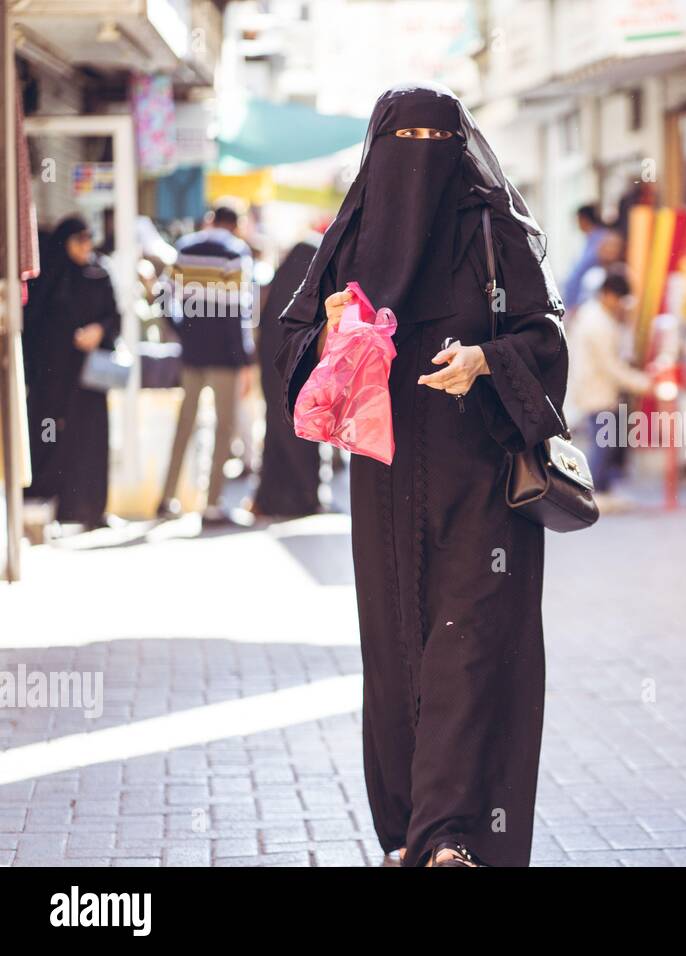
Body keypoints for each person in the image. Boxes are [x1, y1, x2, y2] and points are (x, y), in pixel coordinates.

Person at [275, 83, 568, 868]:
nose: (420, 165)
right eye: (406, 145)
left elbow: (546, 339)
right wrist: (333, 331)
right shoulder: (353, 234)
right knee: (399, 648)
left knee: (467, 647)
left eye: (436, 144)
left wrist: (487, 361)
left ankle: (453, 836)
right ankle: (408, 829)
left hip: (483, 482)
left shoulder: (493, 230)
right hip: (384, 485)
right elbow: (293, 354)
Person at [158, 202, 256, 525]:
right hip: (224, 355)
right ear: (237, 225)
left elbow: (162, 295)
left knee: (185, 423)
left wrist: (181, 329)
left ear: (211, 219)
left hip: (192, 351)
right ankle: (211, 504)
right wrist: (244, 358)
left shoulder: (185, 248)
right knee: (222, 427)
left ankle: (167, 497)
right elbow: (239, 309)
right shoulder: (236, 252)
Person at [21, 216, 121, 528]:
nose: (85, 247)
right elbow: (34, 327)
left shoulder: (99, 274)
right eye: (79, 240)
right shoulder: (48, 278)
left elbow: (115, 317)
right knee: (51, 439)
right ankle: (49, 508)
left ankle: (90, 510)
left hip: (89, 378)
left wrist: (98, 331)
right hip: (52, 379)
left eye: (89, 239)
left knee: (90, 440)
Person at [252, 236, 323, 518]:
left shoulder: (280, 295)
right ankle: (305, 496)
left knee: (276, 431)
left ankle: (270, 499)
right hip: (299, 378)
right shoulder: (309, 295)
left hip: (274, 375)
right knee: (301, 434)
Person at [566, 268, 650, 494]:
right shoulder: (597, 322)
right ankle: (594, 492)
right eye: (619, 299)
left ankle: (599, 490)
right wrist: (644, 384)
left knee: (605, 443)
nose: (621, 305)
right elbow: (611, 366)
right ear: (608, 294)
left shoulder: (598, 316)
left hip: (598, 388)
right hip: (597, 389)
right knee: (603, 445)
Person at [560, 203, 609, 309]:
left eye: (578, 220)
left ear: (584, 219)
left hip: (587, 300)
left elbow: (583, 268)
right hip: (576, 300)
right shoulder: (589, 240)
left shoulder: (602, 239)